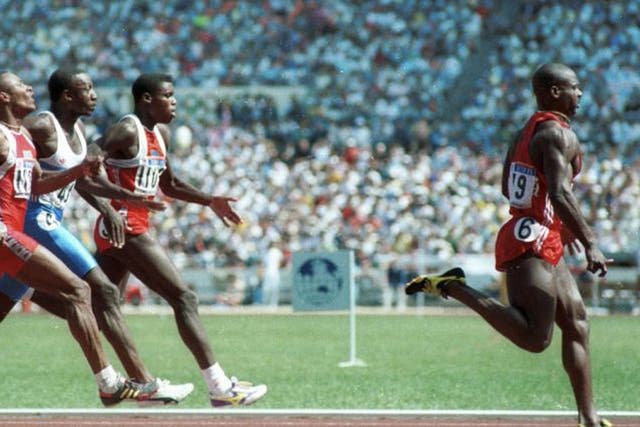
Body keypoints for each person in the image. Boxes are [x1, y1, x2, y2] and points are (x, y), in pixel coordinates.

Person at [404, 64, 611, 427]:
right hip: (529, 239)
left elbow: (509, 186)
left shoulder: (524, 133)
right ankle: (453, 287)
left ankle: (590, 420)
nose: (580, 95)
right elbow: (560, 192)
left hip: (537, 232)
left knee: (577, 322)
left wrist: (557, 226)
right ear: (554, 92)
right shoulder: (557, 134)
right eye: (574, 88)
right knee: (535, 338)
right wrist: (588, 240)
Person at [0, 68, 193, 404]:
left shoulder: (44, 135)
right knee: (90, 290)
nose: (94, 94)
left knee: (75, 299)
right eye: (85, 88)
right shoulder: (28, 128)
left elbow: (51, 181)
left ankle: (117, 376)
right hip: (26, 224)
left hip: (28, 224)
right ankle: (129, 382)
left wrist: (113, 199)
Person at [93, 73, 267, 407]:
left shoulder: (159, 134)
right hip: (125, 226)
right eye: (168, 96)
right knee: (184, 298)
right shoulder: (127, 129)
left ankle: (22, 284)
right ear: (146, 99)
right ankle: (219, 388)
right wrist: (111, 206)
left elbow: (169, 184)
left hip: (129, 224)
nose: (174, 102)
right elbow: (89, 161)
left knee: (99, 304)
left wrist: (209, 200)